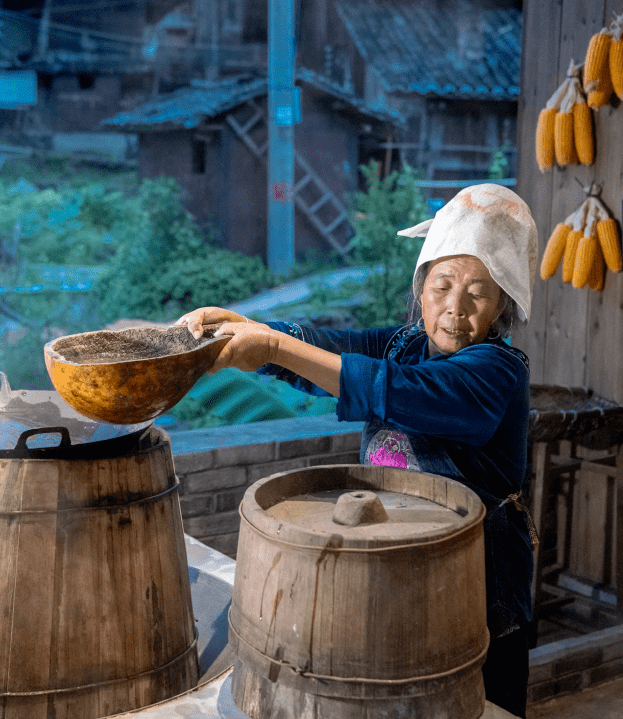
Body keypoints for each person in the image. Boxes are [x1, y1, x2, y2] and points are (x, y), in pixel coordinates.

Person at [176, 183, 538, 717]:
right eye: (442, 285)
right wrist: (252, 327)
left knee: (479, 704)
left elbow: (392, 389)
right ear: (421, 285)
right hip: (399, 564)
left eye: (478, 292)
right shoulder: (404, 344)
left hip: (479, 579)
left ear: (502, 302)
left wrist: (274, 346)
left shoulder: (496, 372)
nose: (455, 308)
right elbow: (329, 347)